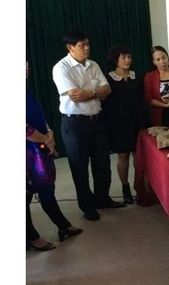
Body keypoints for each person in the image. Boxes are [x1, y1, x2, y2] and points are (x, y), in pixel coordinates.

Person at [52, 29, 125, 222]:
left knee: (102, 163)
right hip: (74, 123)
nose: (86, 48)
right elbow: (75, 95)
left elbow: (107, 89)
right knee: (79, 166)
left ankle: (102, 198)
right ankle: (87, 206)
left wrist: (90, 93)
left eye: (87, 44)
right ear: (70, 47)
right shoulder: (61, 68)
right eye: (82, 45)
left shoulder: (94, 65)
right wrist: (95, 92)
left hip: (96, 121)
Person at [27, 62, 83, 250]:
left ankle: (63, 226)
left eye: (27, 64)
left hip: (39, 147)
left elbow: (38, 118)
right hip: (27, 152)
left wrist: (49, 134)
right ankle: (31, 237)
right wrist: (45, 139)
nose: (27, 67)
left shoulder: (26, 91)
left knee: (46, 188)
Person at [102, 44, 144, 204]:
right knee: (123, 155)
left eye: (129, 57)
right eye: (123, 57)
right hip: (118, 122)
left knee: (138, 155)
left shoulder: (137, 76)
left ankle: (140, 186)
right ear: (116, 59)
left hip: (137, 120)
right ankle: (125, 186)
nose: (127, 60)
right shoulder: (109, 78)